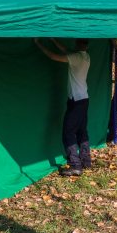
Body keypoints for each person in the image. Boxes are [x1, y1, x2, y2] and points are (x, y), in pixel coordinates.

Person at [34, 37, 91, 176]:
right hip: (84, 99)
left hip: (76, 100)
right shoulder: (85, 56)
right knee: (82, 131)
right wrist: (53, 40)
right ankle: (85, 162)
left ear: (76, 42)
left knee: (68, 132)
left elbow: (54, 56)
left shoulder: (76, 57)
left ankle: (75, 165)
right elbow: (66, 50)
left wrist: (38, 43)